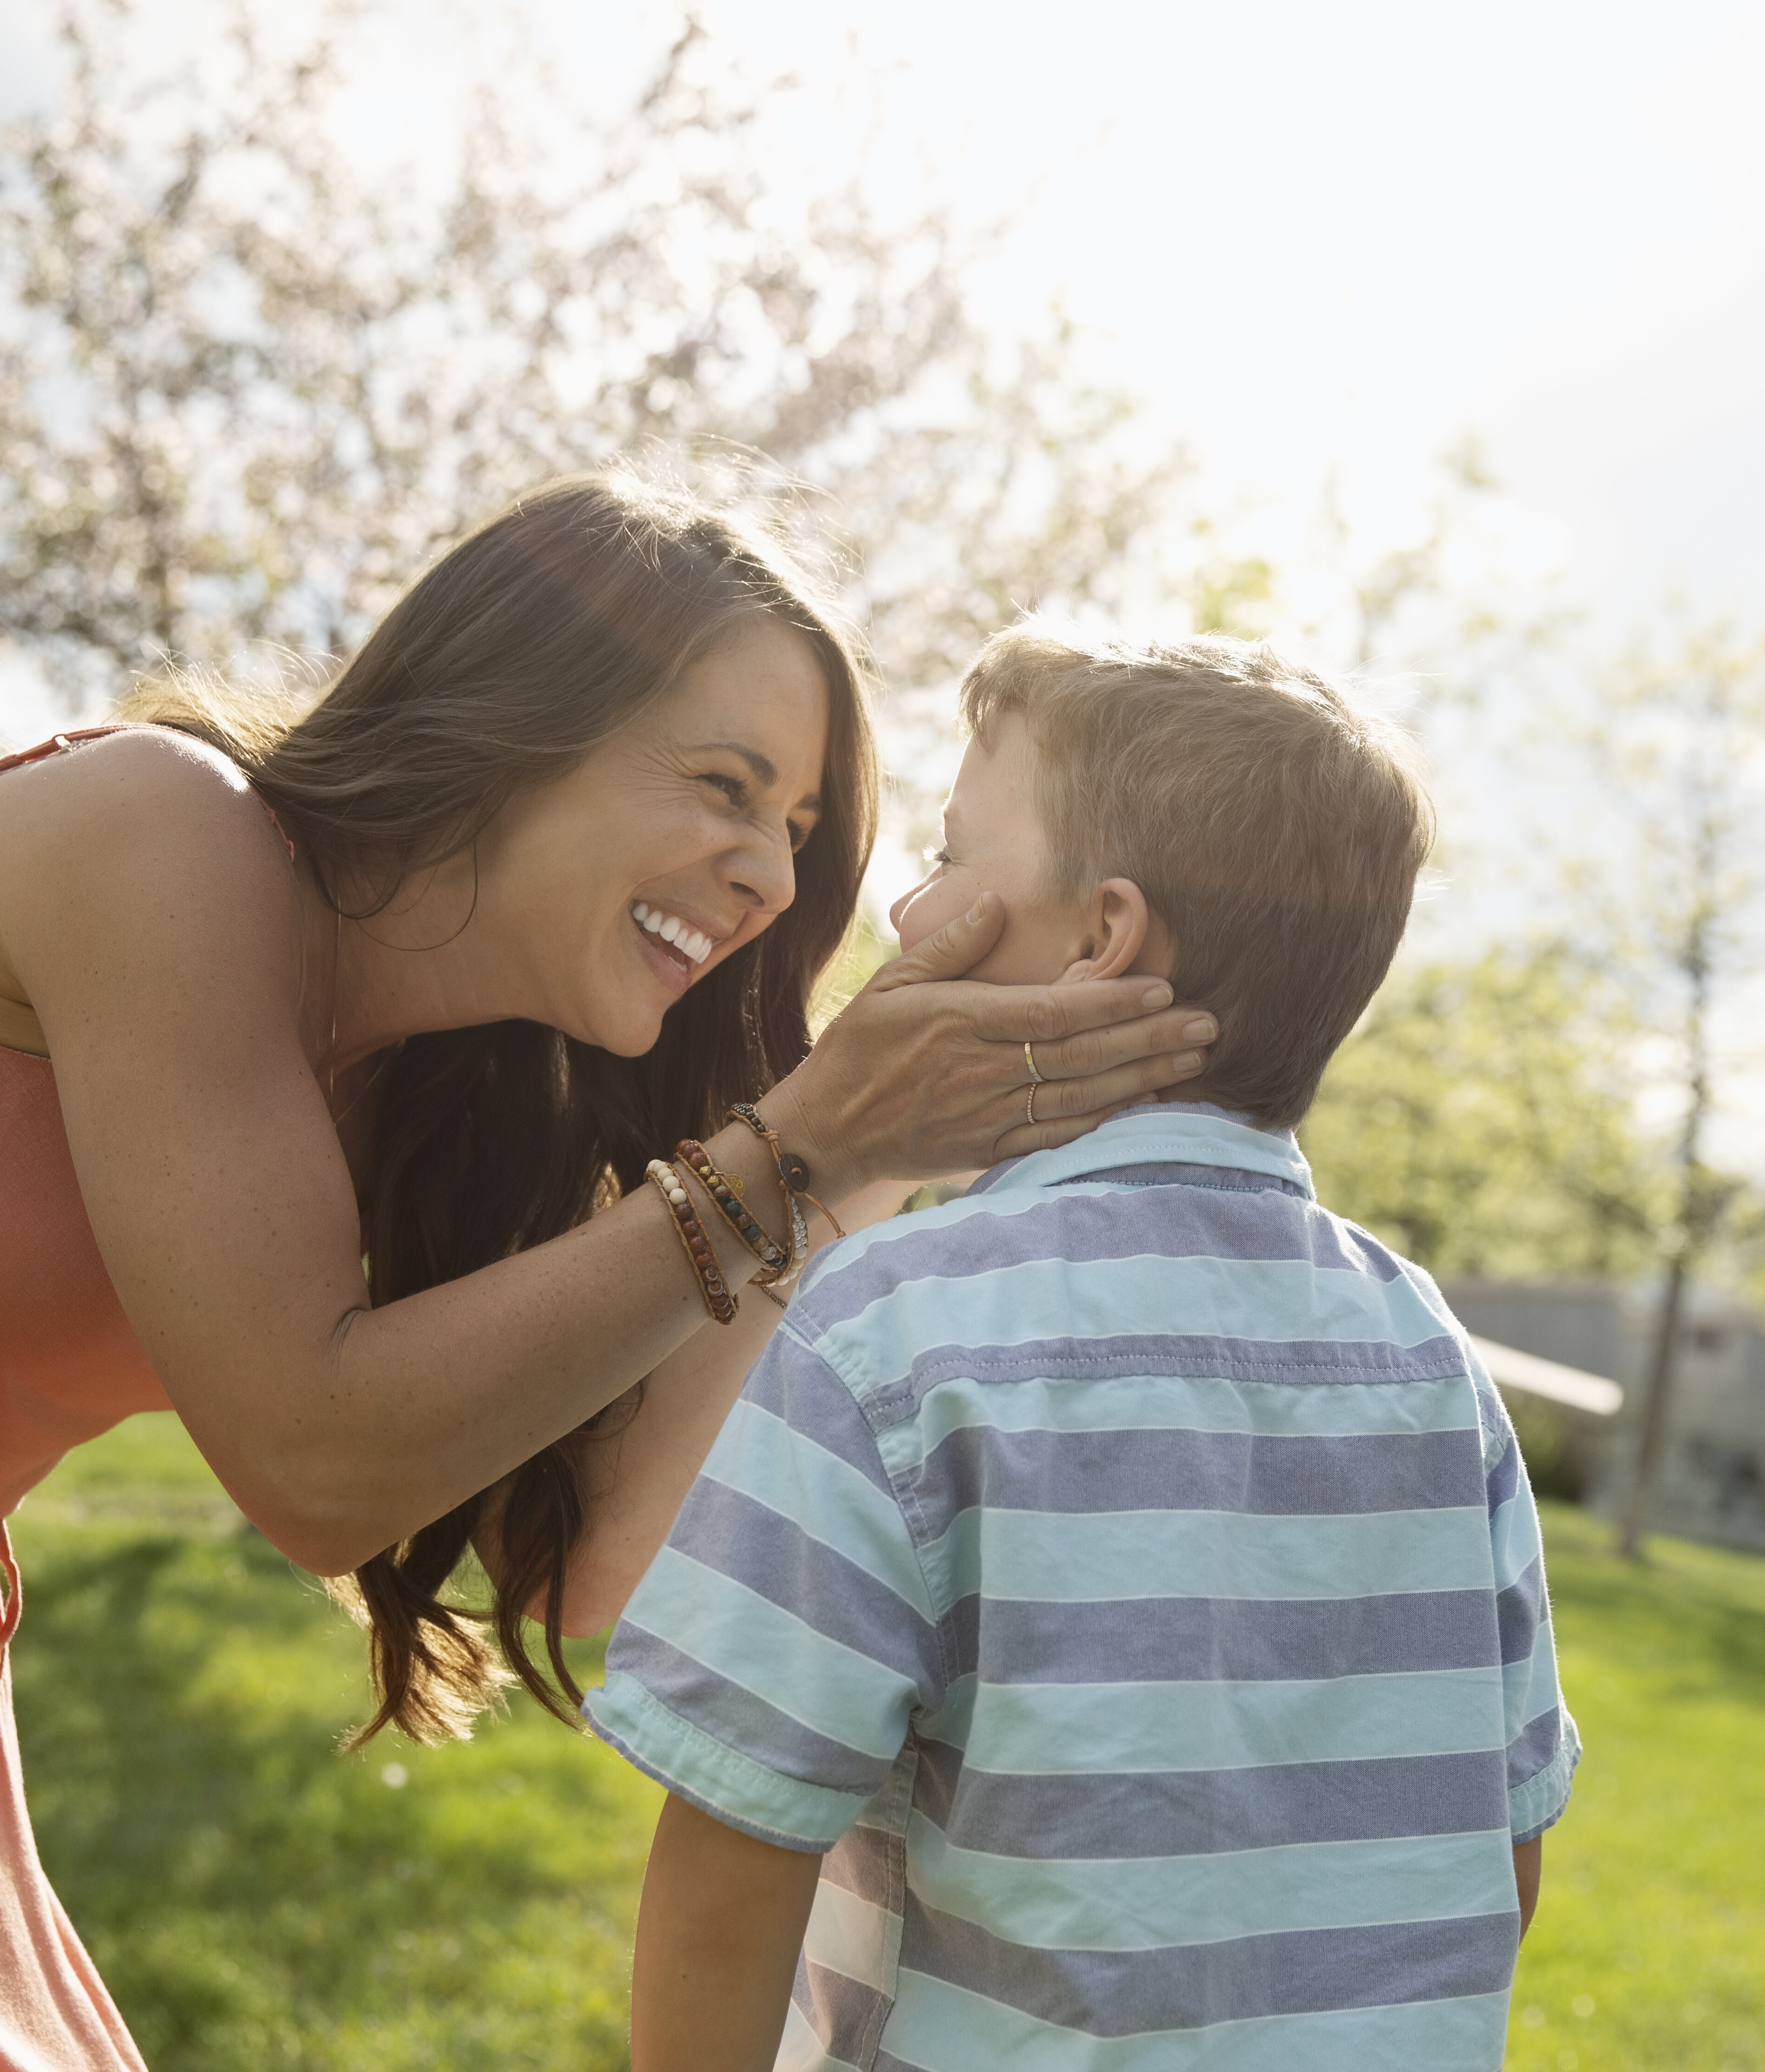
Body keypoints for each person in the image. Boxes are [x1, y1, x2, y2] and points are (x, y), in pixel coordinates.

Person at [0, 478, 1217, 2069]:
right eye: (727, 787)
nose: (769, 874)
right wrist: (798, 1146)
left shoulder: (466, 1084)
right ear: (514, 727)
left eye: (801, 833)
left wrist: (862, 1160)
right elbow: (317, 1458)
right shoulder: (152, 835)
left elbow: (582, 1558)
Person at [589, 627, 1581, 2072]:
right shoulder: (1427, 1354)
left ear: (1102, 940)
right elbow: (1503, 1847)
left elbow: (735, 1843)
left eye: (947, 858)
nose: (906, 909)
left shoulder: (900, 1328)